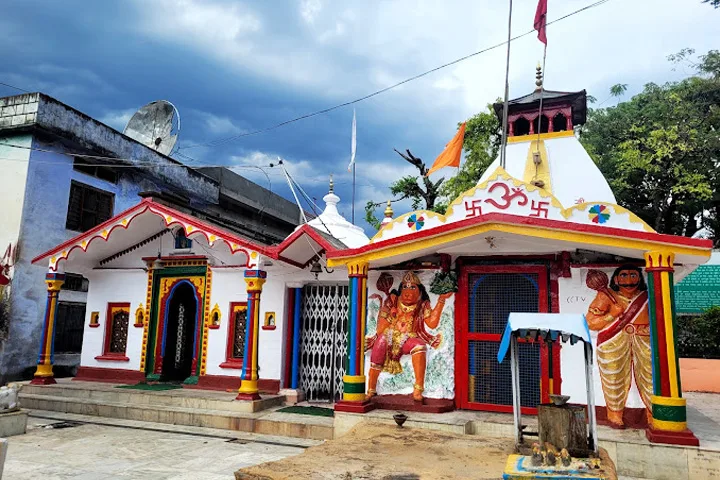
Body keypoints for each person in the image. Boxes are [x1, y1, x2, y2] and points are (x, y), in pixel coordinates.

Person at [365, 271, 452, 402]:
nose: (408, 291)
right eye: (405, 286)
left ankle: (418, 389)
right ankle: (371, 389)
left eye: (413, 287)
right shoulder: (393, 300)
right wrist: (389, 315)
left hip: (408, 338)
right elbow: (381, 327)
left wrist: (441, 300)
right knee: (381, 341)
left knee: (420, 346)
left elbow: (432, 323)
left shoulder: (422, 305)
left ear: (420, 290)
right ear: (400, 289)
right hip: (389, 336)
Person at [586, 265, 652, 428]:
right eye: (623, 275)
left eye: (633, 275)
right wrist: (611, 315)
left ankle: (653, 413)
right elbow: (591, 323)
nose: (628, 280)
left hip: (644, 340)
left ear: (640, 278)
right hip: (613, 340)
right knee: (613, 378)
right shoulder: (605, 296)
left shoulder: (647, 296)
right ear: (615, 279)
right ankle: (614, 414)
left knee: (650, 377)